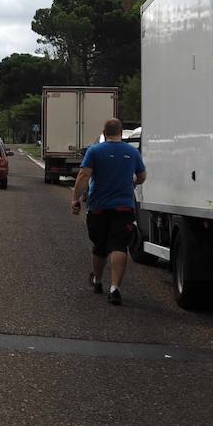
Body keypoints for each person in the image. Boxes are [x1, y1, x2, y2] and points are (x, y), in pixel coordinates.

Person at [70, 117, 146, 306]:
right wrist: (133, 182)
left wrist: (76, 200)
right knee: (120, 246)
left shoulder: (94, 151)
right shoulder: (132, 152)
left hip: (99, 208)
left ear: (104, 133)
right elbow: (142, 176)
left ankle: (97, 280)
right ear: (121, 133)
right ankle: (115, 288)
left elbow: (84, 175)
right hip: (124, 207)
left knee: (100, 246)